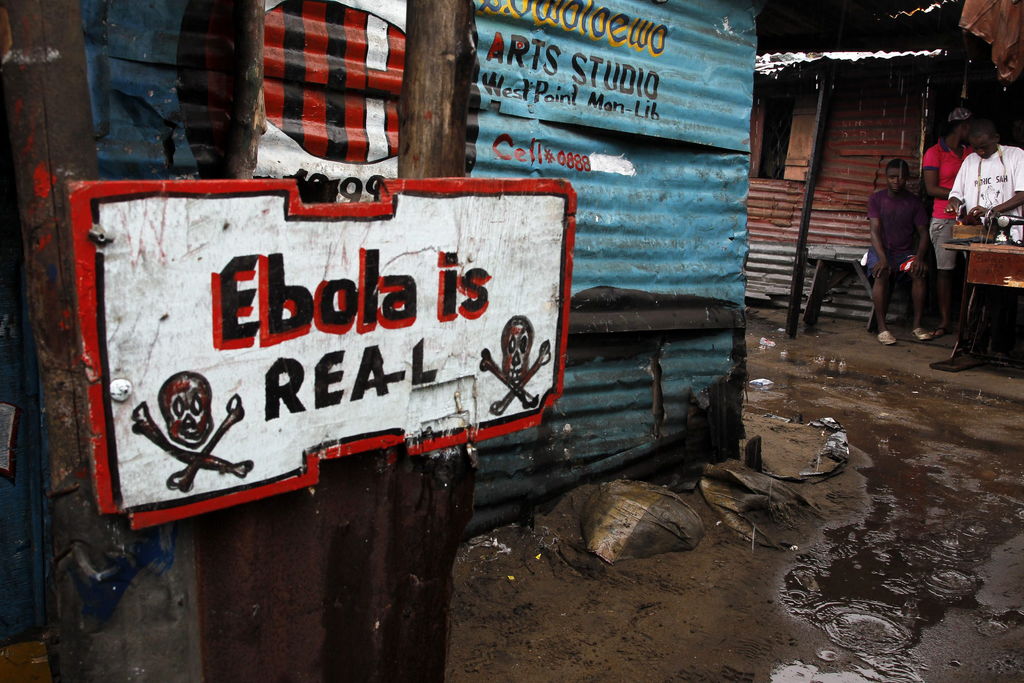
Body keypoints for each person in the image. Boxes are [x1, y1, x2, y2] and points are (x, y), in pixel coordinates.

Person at [947, 118, 1024, 355]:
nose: (980, 152)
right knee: (976, 290)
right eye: (975, 148)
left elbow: (1022, 194)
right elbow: (956, 193)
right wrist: (955, 203)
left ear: (996, 139)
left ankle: (1001, 348)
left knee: (1004, 293)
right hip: (978, 236)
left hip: (1008, 235)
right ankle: (974, 344)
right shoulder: (970, 161)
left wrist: (992, 211)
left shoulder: (1016, 155)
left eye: (984, 147)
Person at [866, 159, 931, 345]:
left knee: (918, 272)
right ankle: (882, 328)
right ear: (886, 177)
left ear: (907, 178)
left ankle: (917, 326)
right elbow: (874, 231)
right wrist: (883, 259)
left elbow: (924, 233)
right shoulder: (876, 199)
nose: (896, 181)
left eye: (901, 178)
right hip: (881, 251)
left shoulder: (914, 203)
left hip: (904, 254)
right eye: (892, 177)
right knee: (881, 272)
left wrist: (919, 258)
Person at [922, 107, 972, 339]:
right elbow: (931, 188)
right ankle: (945, 321)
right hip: (944, 218)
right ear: (960, 127)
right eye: (969, 126)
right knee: (945, 271)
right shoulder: (934, 152)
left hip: (969, 219)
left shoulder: (970, 152)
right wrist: (960, 197)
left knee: (971, 271)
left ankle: (968, 320)